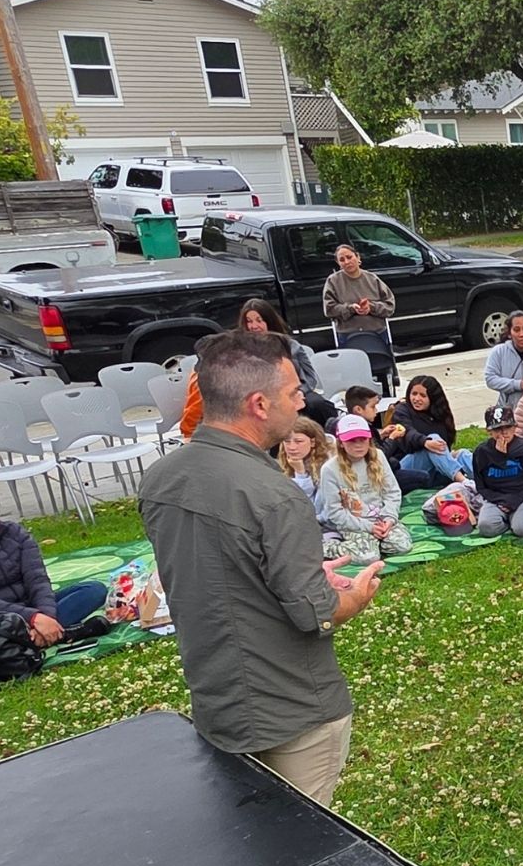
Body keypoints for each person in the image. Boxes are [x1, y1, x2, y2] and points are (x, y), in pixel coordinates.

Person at [139, 329, 384, 808]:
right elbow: (315, 611)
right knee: (298, 849)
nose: (300, 405)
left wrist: (299, 566)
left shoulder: (160, 480)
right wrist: (353, 595)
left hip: (216, 701)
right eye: (293, 394)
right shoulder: (273, 497)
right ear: (258, 404)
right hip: (294, 712)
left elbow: (218, 568)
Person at [0, 486, 112, 653]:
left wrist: (44, 617)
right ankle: (63, 634)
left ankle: (34, 639)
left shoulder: (14, 533)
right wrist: (33, 618)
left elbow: (37, 580)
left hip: (30, 608)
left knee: (94, 590)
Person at [318, 416, 412, 565]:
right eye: (351, 440)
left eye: (362, 439)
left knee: (402, 546)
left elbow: (392, 492)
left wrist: (389, 519)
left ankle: (374, 542)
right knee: (368, 557)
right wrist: (368, 527)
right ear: (341, 443)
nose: (358, 445)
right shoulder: (329, 469)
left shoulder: (379, 456)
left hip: (381, 519)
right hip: (353, 523)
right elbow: (334, 511)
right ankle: (328, 547)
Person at [236, 298, 334, 430]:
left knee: (319, 405)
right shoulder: (241, 351)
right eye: (249, 321)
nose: (254, 326)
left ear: (269, 321)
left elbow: (310, 377)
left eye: (259, 320)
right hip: (264, 397)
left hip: (297, 392)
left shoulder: (291, 345)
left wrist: (298, 392)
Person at [472, 405, 523, 538]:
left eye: (508, 427)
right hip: (497, 498)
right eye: (498, 429)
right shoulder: (481, 452)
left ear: (515, 427)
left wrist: (517, 499)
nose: (504, 433)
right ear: (489, 431)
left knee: (522, 529)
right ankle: (507, 522)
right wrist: (502, 500)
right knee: (485, 528)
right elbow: (481, 486)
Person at [379, 375, 469, 492]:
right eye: (414, 394)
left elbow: (444, 444)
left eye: (422, 395)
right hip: (404, 468)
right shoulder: (402, 410)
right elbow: (408, 432)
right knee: (433, 439)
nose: (416, 399)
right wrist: (424, 442)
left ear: (433, 398)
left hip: (434, 465)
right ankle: (463, 482)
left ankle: (486, 480)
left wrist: (449, 454)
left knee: (462, 454)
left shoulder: (439, 414)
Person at [322, 243, 395, 361]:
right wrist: (350, 308)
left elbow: (389, 305)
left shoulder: (372, 279)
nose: (346, 262)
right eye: (342, 260)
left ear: (358, 257)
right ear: (338, 263)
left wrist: (371, 307)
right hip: (348, 335)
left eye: (349, 257)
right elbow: (329, 309)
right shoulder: (333, 281)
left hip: (376, 332)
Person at [481, 309, 523, 413]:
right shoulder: (499, 351)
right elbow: (490, 379)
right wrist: (518, 384)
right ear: (509, 333)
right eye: (516, 330)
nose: (522, 334)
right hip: (507, 411)